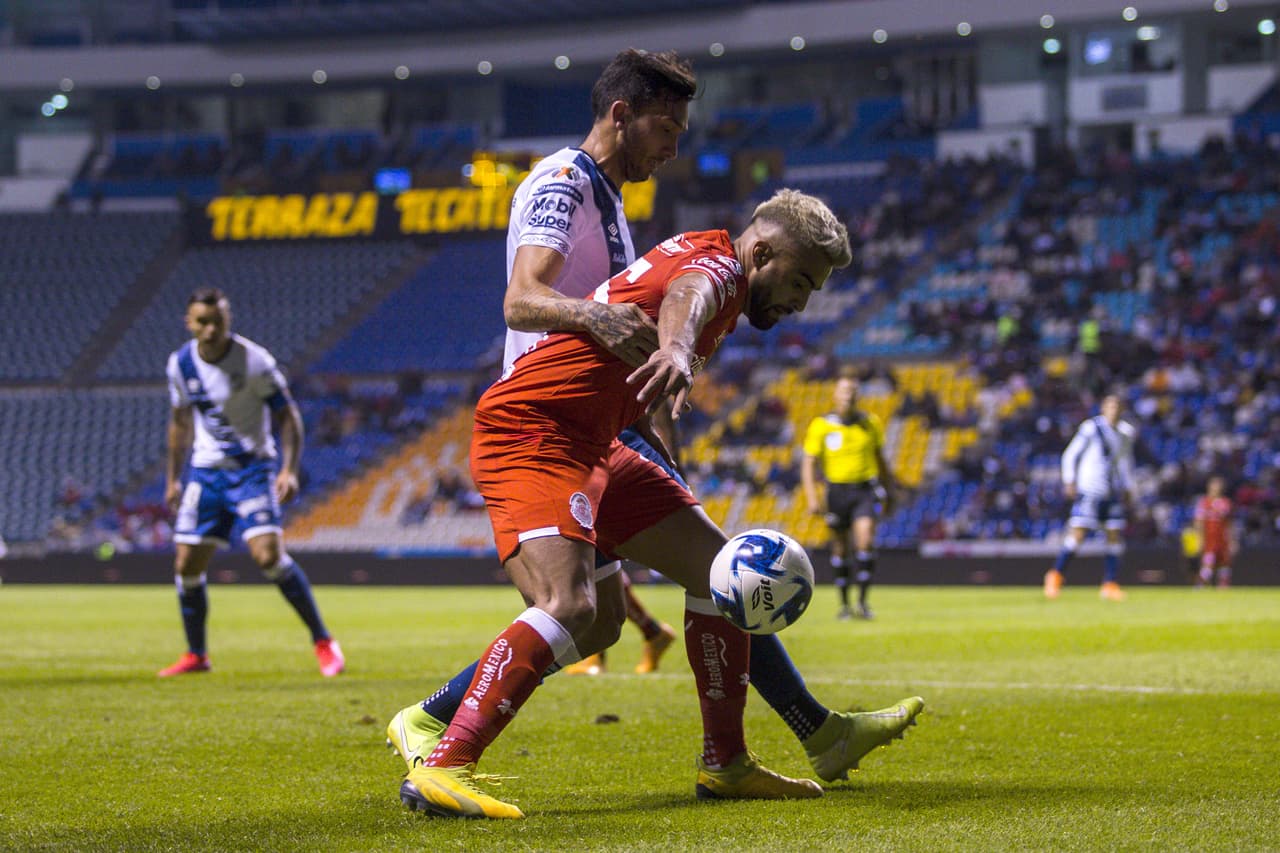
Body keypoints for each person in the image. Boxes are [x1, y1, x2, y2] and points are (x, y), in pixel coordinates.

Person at [386, 49, 921, 800]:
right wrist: (669, 343)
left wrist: (661, 425)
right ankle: (439, 759)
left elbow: (672, 295)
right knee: (570, 608)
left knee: (710, 577)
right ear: (620, 115)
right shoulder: (572, 186)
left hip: (595, 431)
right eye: (666, 128)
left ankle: (729, 761)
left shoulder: (619, 208)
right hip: (536, 427)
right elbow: (673, 294)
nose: (674, 148)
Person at [157, 288, 344, 677]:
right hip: (206, 473)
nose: (210, 330)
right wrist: (174, 479)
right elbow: (179, 423)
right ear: (189, 323)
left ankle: (324, 642)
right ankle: (197, 654)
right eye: (202, 322)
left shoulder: (255, 362)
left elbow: (288, 416)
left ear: (228, 321)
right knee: (186, 564)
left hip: (252, 470)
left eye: (217, 322)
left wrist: (288, 469)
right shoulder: (180, 365)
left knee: (268, 556)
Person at [800, 368, 896, 620]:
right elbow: (809, 463)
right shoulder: (821, 426)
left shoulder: (870, 423)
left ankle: (863, 602)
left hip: (864, 489)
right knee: (840, 548)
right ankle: (844, 605)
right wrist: (812, 497)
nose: (848, 396)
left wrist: (890, 492)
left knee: (865, 539)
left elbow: (881, 460)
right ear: (835, 394)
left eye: (853, 391)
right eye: (844, 391)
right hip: (836, 492)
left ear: (858, 395)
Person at [1044, 392, 1136, 601]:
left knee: (1114, 534)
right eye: (1110, 407)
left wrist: (1129, 486)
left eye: (1118, 407)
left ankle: (1110, 584)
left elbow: (1125, 461)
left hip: (1111, 491)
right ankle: (1055, 575)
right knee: (1078, 535)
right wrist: (1069, 480)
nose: (1114, 411)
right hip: (1090, 490)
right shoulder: (1091, 428)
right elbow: (1070, 454)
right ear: (1103, 408)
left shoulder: (1125, 433)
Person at [1193, 475, 1234, 588]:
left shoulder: (1226, 502)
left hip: (1222, 538)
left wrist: (1232, 540)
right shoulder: (1204, 502)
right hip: (1209, 539)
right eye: (1214, 484)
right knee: (1208, 563)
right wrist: (1199, 538)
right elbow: (1198, 522)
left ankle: (1223, 586)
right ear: (1209, 486)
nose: (1216, 487)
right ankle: (1200, 584)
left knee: (1225, 563)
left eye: (1218, 485)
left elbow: (1229, 523)